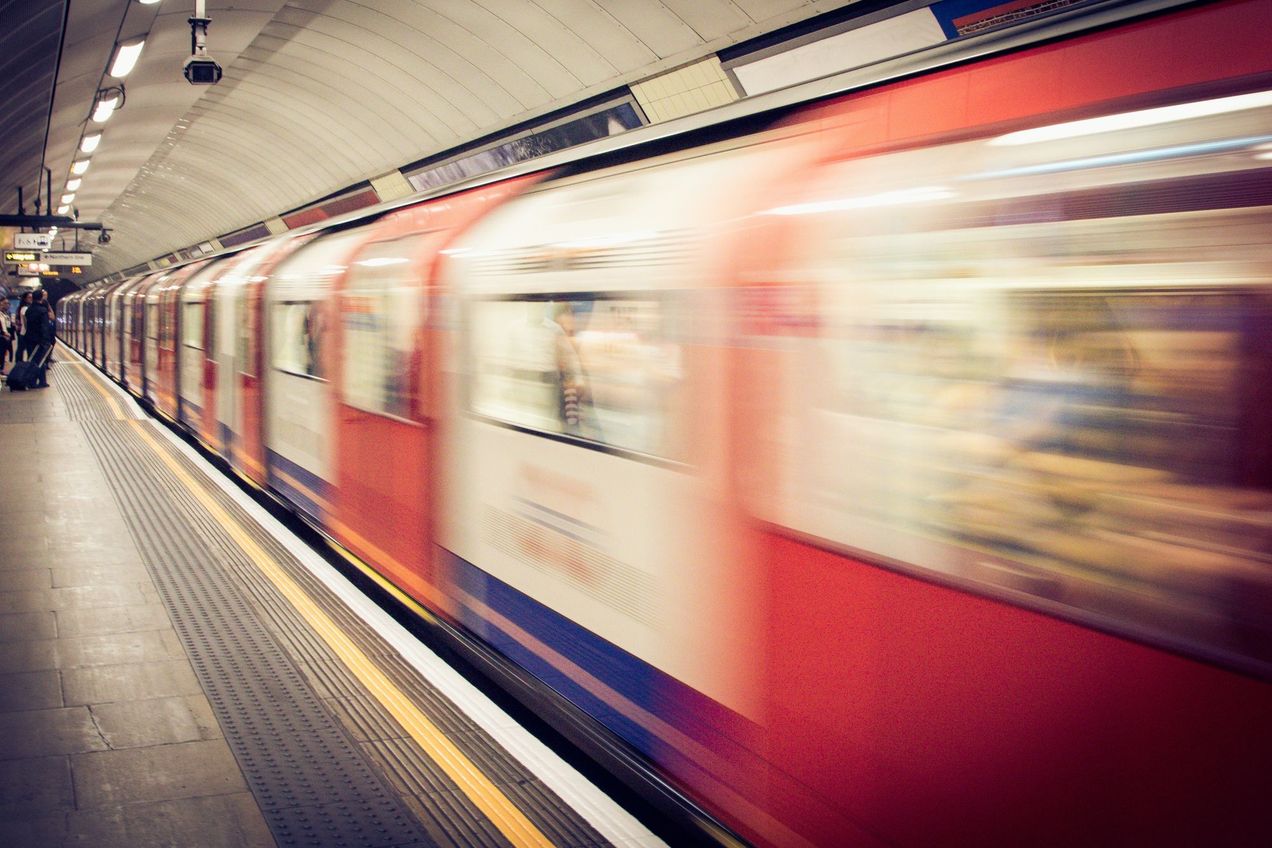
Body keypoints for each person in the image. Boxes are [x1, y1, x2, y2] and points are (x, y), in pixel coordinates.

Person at [22, 290, 54, 388]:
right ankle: (42, 382)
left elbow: (26, 324)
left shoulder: (28, 310)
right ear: (41, 298)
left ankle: (31, 381)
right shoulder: (43, 310)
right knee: (41, 361)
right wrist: (46, 341)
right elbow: (45, 327)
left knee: (32, 360)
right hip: (39, 340)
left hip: (29, 338)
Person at [14, 292, 33, 362]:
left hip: (23, 333)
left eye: (32, 297)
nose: (31, 299)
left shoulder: (25, 308)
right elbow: (26, 322)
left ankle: (19, 366)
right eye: (29, 297)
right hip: (25, 333)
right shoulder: (25, 308)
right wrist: (29, 332)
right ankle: (20, 366)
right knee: (22, 351)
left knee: (21, 350)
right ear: (25, 299)